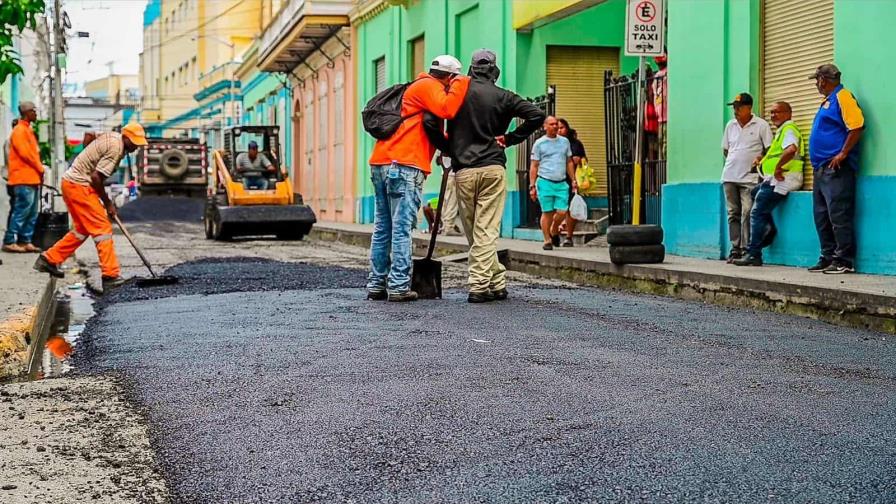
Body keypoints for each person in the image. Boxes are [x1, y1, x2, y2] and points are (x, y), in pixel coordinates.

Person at [366, 55, 470, 302]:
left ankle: (377, 284)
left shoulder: (419, 89)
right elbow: (448, 108)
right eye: (453, 79)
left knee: (383, 228)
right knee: (401, 229)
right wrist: (462, 82)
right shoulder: (427, 86)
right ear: (450, 76)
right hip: (404, 165)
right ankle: (399, 286)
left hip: (383, 162)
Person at [444, 49, 544, 303]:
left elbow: (432, 121)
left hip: (464, 170)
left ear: (471, 68)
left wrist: (446, 148)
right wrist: (510, 139)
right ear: (494, 70)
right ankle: (496, 280)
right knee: (485, 231)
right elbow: (537, 115)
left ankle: (478, 285)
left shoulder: (456, 95)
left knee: (475, 232)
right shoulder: (504, 96)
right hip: (493, 168)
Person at [34, 123, 149, 292]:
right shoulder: (116, 148)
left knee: (81, 230)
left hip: (72, 183)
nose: (136, 146)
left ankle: (49, 259)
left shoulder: (112, 137)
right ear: (126, 137)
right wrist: (108, 203)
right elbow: (96, 178)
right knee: (102, 229)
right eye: (134, 142)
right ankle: (110, 275)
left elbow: (89, 135)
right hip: (79, 186)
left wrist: (89, 156)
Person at [807, 64, 864, 274]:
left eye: (816, 80)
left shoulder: (843, 97)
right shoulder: (828, 102)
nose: (816, 84)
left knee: (838, 214)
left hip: (837, 169)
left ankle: (844, 260)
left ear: (823, 80)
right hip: (821, 169)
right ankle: (828, 255)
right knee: (821, 215)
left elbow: (857, 126)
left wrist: (843, 153)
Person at [734, 102, 804, 267]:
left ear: (788, 113)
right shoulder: (781, 132)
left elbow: (791, 149)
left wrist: (779, 168)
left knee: (756, 212)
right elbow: (778, 153)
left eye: (777, 112)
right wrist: (761, 160)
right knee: (754, 193)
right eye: (771, 113)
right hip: (775, 179)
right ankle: (768, 228)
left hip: (783, 179)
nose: (773, 116)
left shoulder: (789, 129)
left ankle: (754, 254)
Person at [721, 92, 772, 263]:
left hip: (750, 178)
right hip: (729, 176)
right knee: (732, 213)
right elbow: (726, 150)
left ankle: (747, 249)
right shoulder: (730, 125)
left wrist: (757, 161)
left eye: (739, 107)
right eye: (734, 107)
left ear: (749, 108)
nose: (735, 110)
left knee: (748, 212)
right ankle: (735, 248)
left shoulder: (761, 125)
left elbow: (769, 150)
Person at [530, 116, 577, 251]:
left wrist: (573, 179)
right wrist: (532, 186)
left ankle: (554, 228)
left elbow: (568, 161)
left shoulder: (564, 142)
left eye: (556, 124)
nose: (555, 126)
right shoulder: (539, 144)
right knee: (547, 212)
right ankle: (547, 240)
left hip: (561, 182)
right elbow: (534, 165)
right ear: (545, 127)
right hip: (545, 181)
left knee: (562, 211)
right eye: (551, 124)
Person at [3, 102, 44, 253]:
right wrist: (40, 168)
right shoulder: (20, 131)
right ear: (27, 112)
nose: (36, 114)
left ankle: (25, 240)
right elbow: (27, 155)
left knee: (32, 212)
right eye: (34, 111)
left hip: (31, 178)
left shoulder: (27, 130)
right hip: (22, 178)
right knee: (21, 211)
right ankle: (9, 240)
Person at [558, 118, 587, 248]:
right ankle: (555, 231)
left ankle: (569, 236)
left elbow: (585, 159)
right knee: (558, 208)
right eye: (557, 127)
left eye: (562, 127)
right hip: (556, 178)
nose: (559, 130)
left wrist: (579, 160)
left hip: (572, 180)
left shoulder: (575, 144)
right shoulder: (551, 144)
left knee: (571, 208)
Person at [3, 119, 19, 232]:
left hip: (14, 177)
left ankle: (12, 232)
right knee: (17, 207)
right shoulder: (11, 141)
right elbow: (11, 161)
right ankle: (11, 234)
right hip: (14, 178)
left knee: (16, 206)